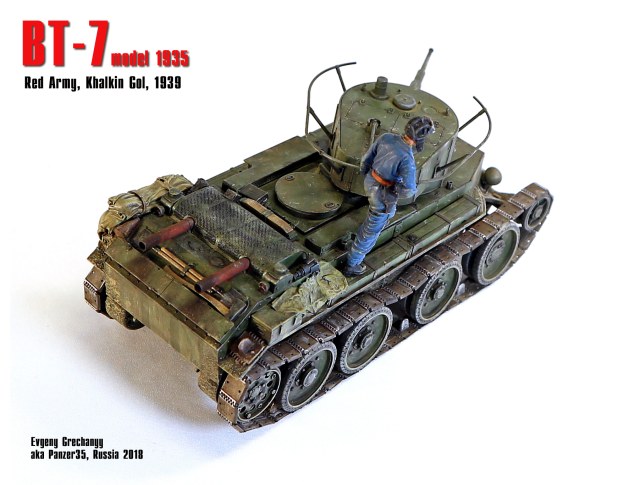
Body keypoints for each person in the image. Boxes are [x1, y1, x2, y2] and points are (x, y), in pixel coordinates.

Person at [343, 116, 435, 276]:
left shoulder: (386, 137)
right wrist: (394, 188)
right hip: (382, 195)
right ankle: (352, 264)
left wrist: (367, 175)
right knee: (371, 230)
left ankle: (360, 242)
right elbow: (409, 190)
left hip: (370, 181)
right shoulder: (407, 159)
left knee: (376, 220)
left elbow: (366, 160)